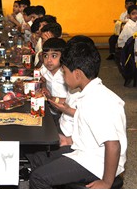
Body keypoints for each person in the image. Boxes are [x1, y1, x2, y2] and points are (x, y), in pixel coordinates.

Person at [29, 41, 127, 189]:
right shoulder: (88, 93)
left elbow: (113, 145)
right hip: (86, 151)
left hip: (97, 162)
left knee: (38, 178)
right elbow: (88, 130)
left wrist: (106, 182)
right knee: (39, 158)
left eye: (64, 71)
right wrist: (69, 140)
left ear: (77, 74)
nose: (63, 75)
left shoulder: (97, 101)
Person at [39, 38, 68, 127]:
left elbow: (73, 101)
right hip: (50, 111)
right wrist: (43, 86)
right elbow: (42, 79)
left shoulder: (67, 74)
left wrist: (52, 98)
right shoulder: (44, 69)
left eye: (54, 56)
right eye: (45, 56)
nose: (49, 60)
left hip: (66, 115)